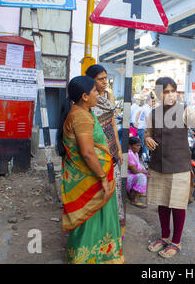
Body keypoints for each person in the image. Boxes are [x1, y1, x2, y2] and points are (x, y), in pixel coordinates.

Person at [144, 77, 195, 258]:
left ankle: (175, 242)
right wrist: (147, 139)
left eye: (172, 91)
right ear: (157, 93)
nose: (170, 95)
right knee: (162, 203)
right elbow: (148, 133)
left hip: (179, 166)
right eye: (165, 91)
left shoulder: (185, 111)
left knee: (178, 205)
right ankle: (164, 237)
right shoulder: (152, 114)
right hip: (157, 165)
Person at [56, 76, 124, 264]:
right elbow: (87, 152)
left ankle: (99, 255)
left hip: (91, 176)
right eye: (94, 91)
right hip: (91, 179)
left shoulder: (83, 111)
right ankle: (86, 258)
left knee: (97, 219)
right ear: (85, 96)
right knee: (90, 220)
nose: (97, 93)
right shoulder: (81, 117)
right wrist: (102, 177)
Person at [85, 64, 125, 236]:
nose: (104, 82)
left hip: (112, 151)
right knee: (99, 189)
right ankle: (98, 229)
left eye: (105, 78)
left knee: (114, 188)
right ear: (91, 81)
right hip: (97, 152)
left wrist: (119, 149)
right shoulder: (87, 100)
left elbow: (113, 125)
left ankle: (113, 227)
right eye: (100, 79)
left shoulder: (109, 97)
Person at [127, 136, 148, 208]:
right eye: (137, 145)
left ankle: (137, 192)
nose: (139, 147)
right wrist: (143, 171)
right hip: (127, 176)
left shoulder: (135, 153)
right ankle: (134, 200)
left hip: (131, 174)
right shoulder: (129, 154)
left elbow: (138, 167)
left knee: (145, 174)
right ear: (130, 146)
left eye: (139, 145)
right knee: (141, 176)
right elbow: (135, 171)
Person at [135, 96, 154, 162]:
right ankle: (145, 158)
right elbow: (147, 118)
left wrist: (136, 122)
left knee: (143, 144)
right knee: (145, 144)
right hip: (143, 128)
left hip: (141, 128)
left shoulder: (146, 107)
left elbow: (138, 114)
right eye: (152, 101)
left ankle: (142, 156)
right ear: (148, 101)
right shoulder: (146, 108)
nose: (153, 103)